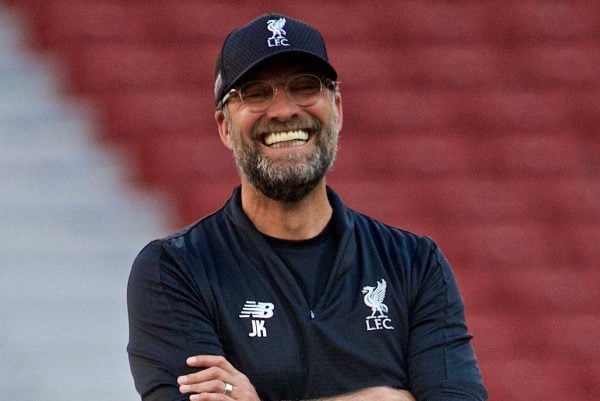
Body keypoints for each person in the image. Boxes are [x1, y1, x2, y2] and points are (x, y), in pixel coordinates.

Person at [127, 13, 488, 401]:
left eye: (304, 86)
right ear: (224, 127)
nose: (283, 110)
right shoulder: (174, 271)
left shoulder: (415, 264)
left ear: (337, 108)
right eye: (256, 93)